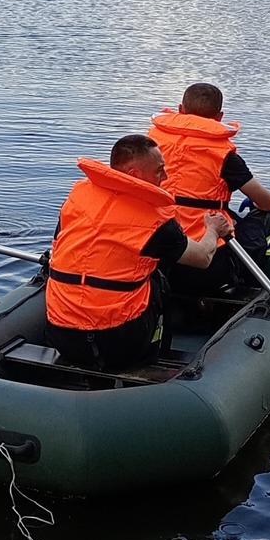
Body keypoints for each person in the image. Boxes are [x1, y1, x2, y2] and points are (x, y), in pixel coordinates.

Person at [44, 134, 230, 370]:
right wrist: (213, 230)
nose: (166, 177)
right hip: (117, 342)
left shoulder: (78, 198)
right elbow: (203, 258)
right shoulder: (155, 220)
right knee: (157, 278)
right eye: (159, 171)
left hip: (61, 335)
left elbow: (59, 244)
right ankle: (158, 356)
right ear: (134, 175)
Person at [147, 83, 270, 295]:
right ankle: (244, 279)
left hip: (157, 245)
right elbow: (268, 202)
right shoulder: (224, 155)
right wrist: (257, 205)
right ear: (219, 117)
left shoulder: (150, 145)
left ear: (180, 109)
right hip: (205, 256)